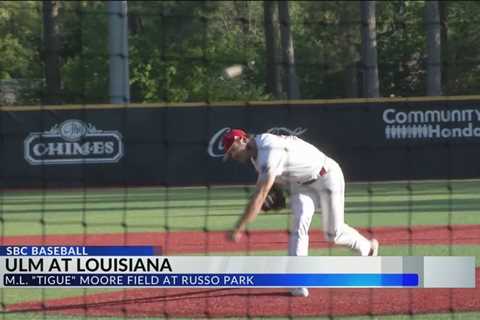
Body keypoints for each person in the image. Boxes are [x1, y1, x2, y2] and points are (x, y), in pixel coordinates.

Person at [223, 128, 379, 297]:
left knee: (334, 234)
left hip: (327, 176)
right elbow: (276, 181)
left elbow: (260, 195)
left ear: (243, 140)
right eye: (229, 153)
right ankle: (297, 280)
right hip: (301, 186)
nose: (232, 155)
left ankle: (367, 247)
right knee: (299, 225)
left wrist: (239, 227)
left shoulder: (268, 147)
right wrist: (275, 192)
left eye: (232, 149)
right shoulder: (256, 157)